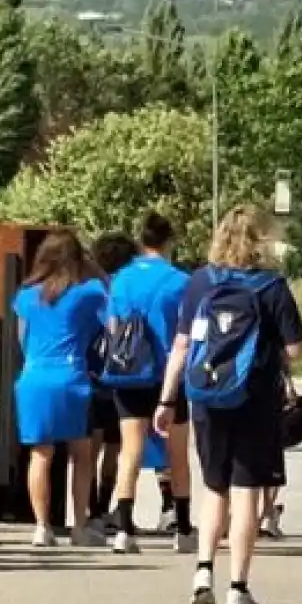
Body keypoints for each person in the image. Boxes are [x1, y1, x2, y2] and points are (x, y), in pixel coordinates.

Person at [155, 206, 302, 604]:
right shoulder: (272, 287)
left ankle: (203, 570)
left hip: (205, 397)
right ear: (260, 241)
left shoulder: (200, 281)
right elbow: (296, 351)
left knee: (214, 487)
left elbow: (182, 346)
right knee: (247, 494)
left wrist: (167, 400)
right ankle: (238, 588)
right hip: (254, 400)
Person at [104, 212, 197, 555]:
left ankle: (124, 528)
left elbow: (113, 326)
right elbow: (187, 333)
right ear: (169, 241)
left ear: (141, 240)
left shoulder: (120, 280)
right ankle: (183, 528)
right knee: (177, 453)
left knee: (131, 450)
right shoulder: (180, 281)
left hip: (128, 373)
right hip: (168, 376)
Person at [13, 229, 110, 548]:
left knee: (40, 455)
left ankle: (42, 527)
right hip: (71, 378)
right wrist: (93, 267)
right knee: (81, 455)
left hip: (34, 378)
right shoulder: (88, 293)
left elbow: (22, 339)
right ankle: (80, 526)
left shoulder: (25, 296)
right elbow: (112, 314)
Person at [88, 232, 140, 532]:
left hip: (94, 374)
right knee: (114, 448)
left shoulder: (93, 291)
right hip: (122, 375)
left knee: (91, 449)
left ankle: (93, 510)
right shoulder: (125, 289)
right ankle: (108, 508)